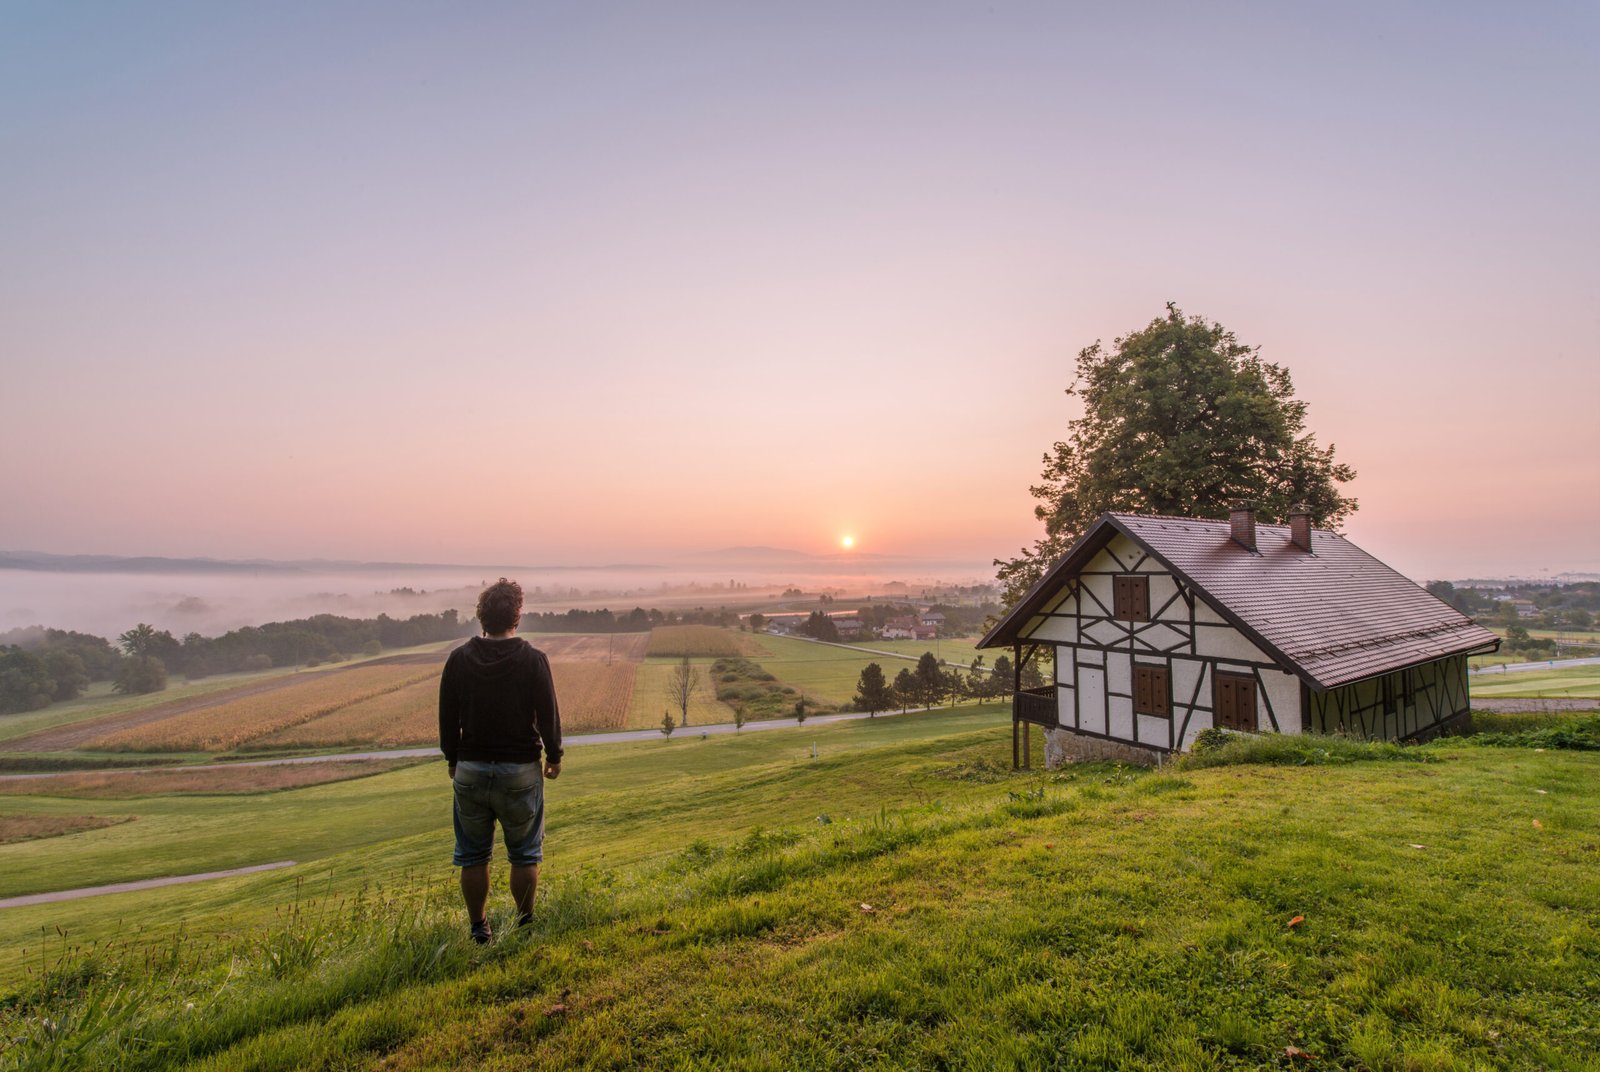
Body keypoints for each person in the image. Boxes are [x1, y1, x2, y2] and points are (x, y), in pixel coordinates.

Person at [439, 578, 562, 944]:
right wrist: (554, 756)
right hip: (520, 770)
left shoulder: (459, 659)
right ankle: (524, 925)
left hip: (471, 769)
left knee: (473, 856)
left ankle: (479, 929)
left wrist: (452, 760)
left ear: (481, 617)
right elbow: (549, 714)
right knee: (524, 854)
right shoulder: (533, 659)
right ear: (517, 617)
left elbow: (448, 717)